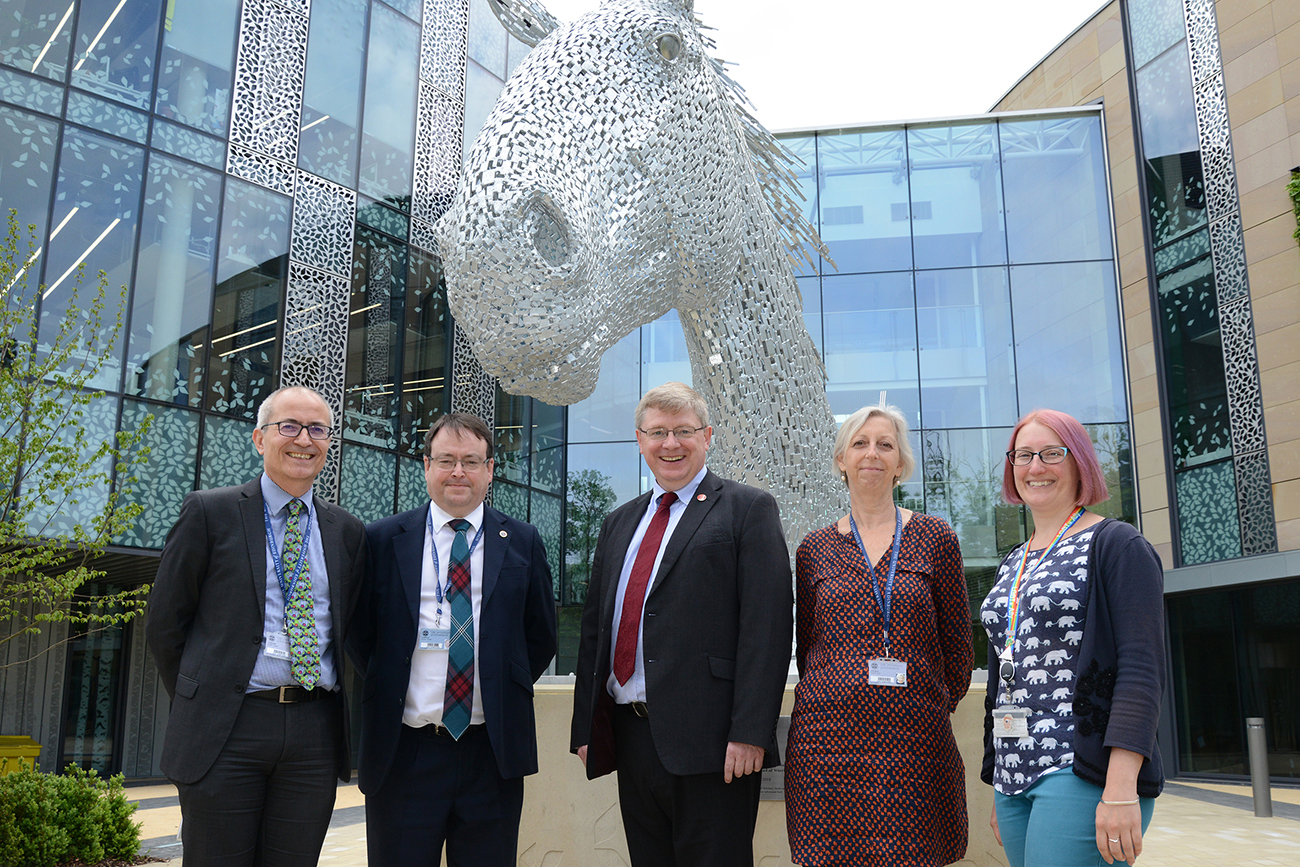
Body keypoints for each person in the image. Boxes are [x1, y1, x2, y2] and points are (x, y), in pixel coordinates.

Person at [570, 381, 793, 867]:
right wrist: (586, 727)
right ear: (640, 440)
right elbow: (595, 631)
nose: (670, 444)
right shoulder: (618, 522)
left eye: (683, 431)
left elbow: (768, 628)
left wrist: (751, 731)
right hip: (631, 738)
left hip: (715, 745)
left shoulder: (747, 508)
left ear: (707, 436)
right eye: (658, 433)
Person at [145, 385, 366, 867]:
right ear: (259, 439)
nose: (303, 439)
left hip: (314, 731)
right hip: (228, 726)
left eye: (317, 429)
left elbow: (355, 631)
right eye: (288, 426)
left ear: (328, 442)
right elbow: (165, 622)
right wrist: (200, 695)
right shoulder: (210, 511)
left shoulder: (347, 530)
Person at [350, 412, 557, 866]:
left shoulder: (522, 540)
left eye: (470, 461)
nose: (458, 472)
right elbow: (361, 634)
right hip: (405, 751)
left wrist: (502, 682)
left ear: (489, 470)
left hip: (492, 752)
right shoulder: (384, 539)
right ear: (426, 466)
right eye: (446, 460)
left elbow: (540, 636)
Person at [784, 403, 973, 866]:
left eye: (885, 444)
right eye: (860, 443)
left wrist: (924, 703)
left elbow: (958, 647)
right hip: (826, 745)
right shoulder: (813, 549)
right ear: (841, 461)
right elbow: (809, 649)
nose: (872, 453)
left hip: (914, 743)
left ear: (901, 464)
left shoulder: (935, 537)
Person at [980, 409, 1165, 867]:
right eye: (1023, 455)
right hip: (1015, 776)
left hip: (1082, 771)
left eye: (1051, 453)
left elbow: (1142, 671)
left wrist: (1121, 790)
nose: (1035, 467)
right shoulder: (1013, 561)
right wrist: (1001, 779)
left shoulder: (1117, 544)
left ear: (1079, 461)